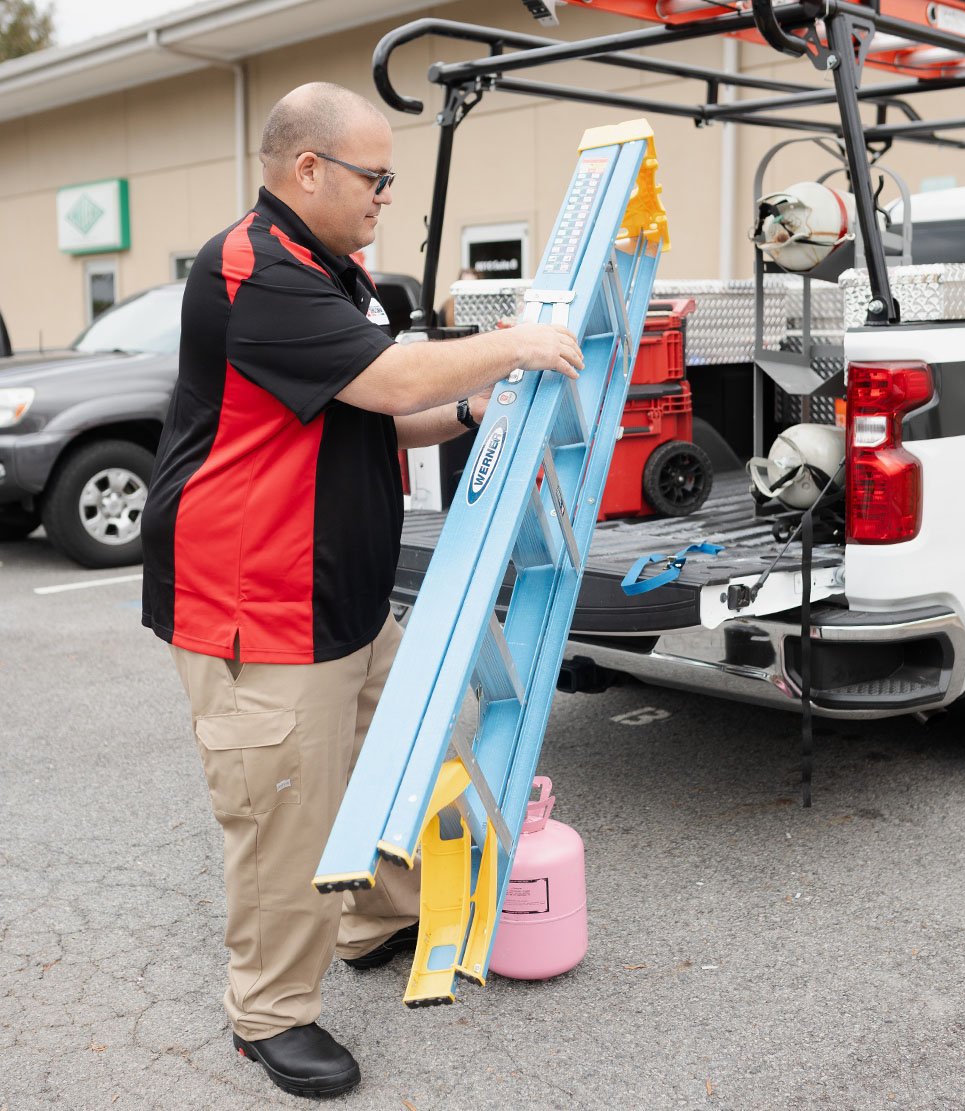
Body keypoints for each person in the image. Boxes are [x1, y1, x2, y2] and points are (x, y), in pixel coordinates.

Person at [140, 81, 582, 1100]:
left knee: (409, 757)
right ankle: (269, 1015)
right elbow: (386, 382)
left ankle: (373, 918)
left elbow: (374, 416)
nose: (387, 194)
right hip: (257, 606)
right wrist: (516, 342)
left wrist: (471, 408)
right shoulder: (253, 266)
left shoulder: (332, 275)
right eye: (375, 176)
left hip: (336, 595)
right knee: (284, 810)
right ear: (307, 170)